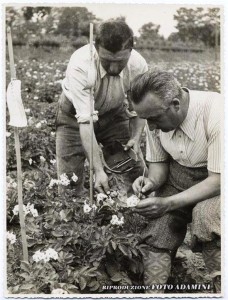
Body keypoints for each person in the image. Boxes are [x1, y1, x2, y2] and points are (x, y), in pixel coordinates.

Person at [130, 70, 221, 293]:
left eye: (153, 119)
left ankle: (220, 287)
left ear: (176, 104)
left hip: (220, 182)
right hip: (180, 177)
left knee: (207, 216)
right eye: (145, 120)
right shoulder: (155, 117)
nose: (150, 127)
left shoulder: (217, 113)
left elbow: (217, 181)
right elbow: (159, 167)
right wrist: (150, 182)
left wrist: (169, 202)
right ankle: (154, 294)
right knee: (159, 224)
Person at [56, 20, 148, 196]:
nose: (114, 68)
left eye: (120, 61)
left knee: (134, 168)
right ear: (96, 49)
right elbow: (84, 122)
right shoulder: (81, 65)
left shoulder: (138, 65)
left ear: (130, 51)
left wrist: (136, 137)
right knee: (69, 181)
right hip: (74, 118)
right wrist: (98, 170)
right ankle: (74, 219)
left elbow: (139, 107)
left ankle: (138, 211)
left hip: (114, 114)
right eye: (107, 61)